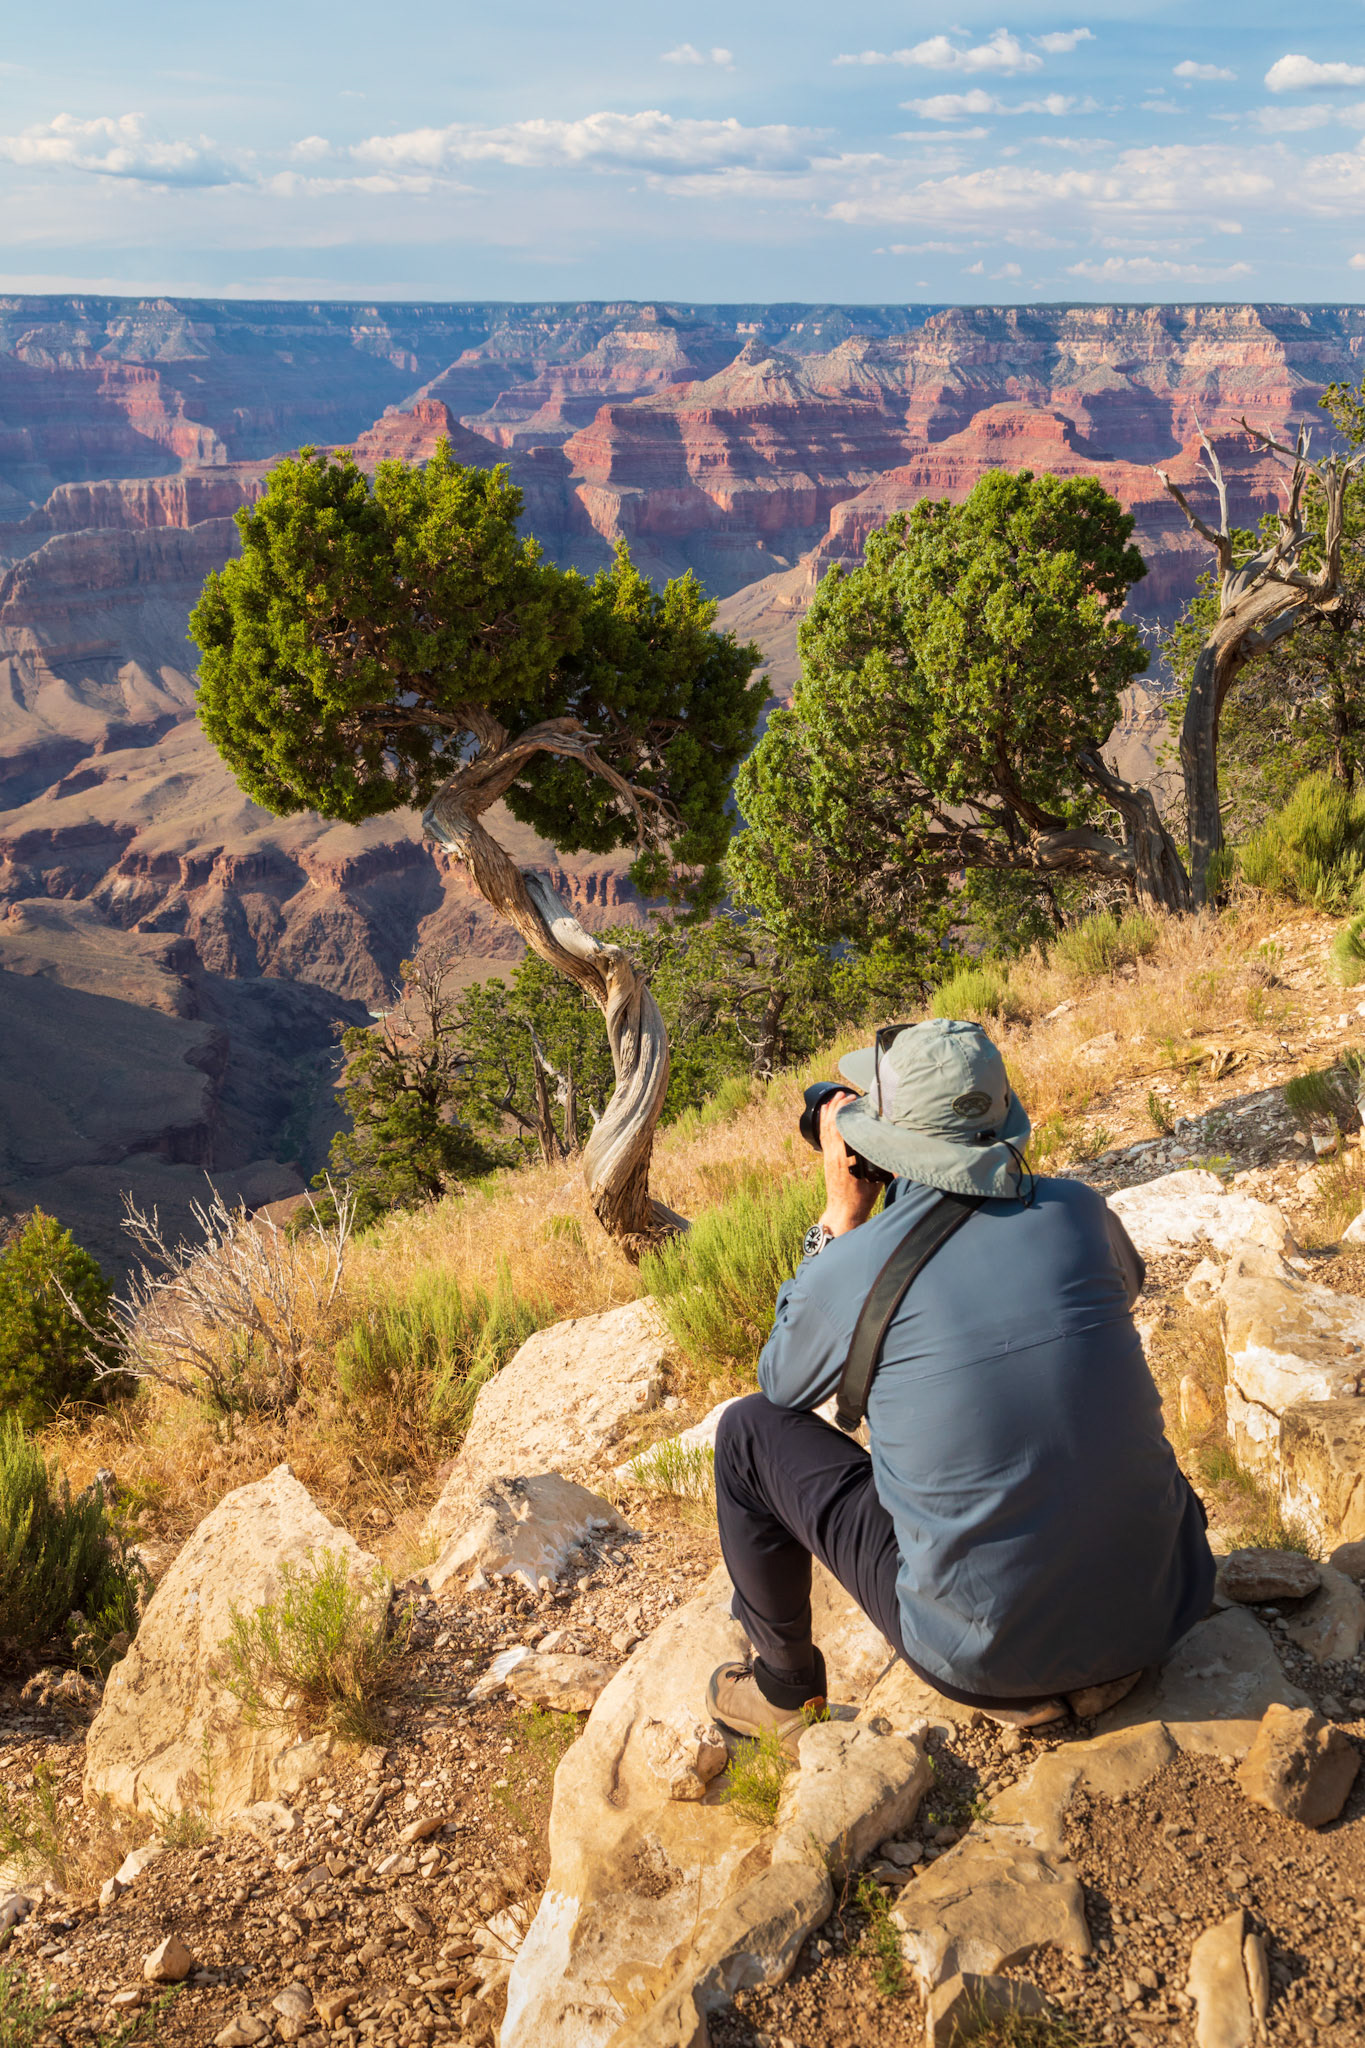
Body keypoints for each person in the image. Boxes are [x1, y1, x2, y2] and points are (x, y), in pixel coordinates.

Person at [706, 1016, 1214, 1743]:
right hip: (1165, 1608)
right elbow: (1122, 1289)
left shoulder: (850, 1271)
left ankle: (784, 1692)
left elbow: (782, 1385)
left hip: (983, 1659)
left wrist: (839, 1218)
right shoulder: (1077, 1210)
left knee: (745, 1431)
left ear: (877, 1145)